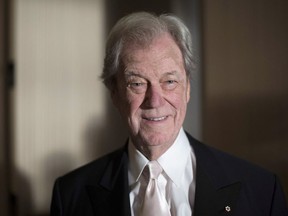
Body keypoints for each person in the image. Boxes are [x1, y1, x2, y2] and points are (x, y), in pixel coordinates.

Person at [50, 12, 288, 216]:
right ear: (114, 93)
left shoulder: (261, 191)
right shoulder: (70, 195)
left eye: (170, 81)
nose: (155, 100)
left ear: (187, 88)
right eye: (137, 83)